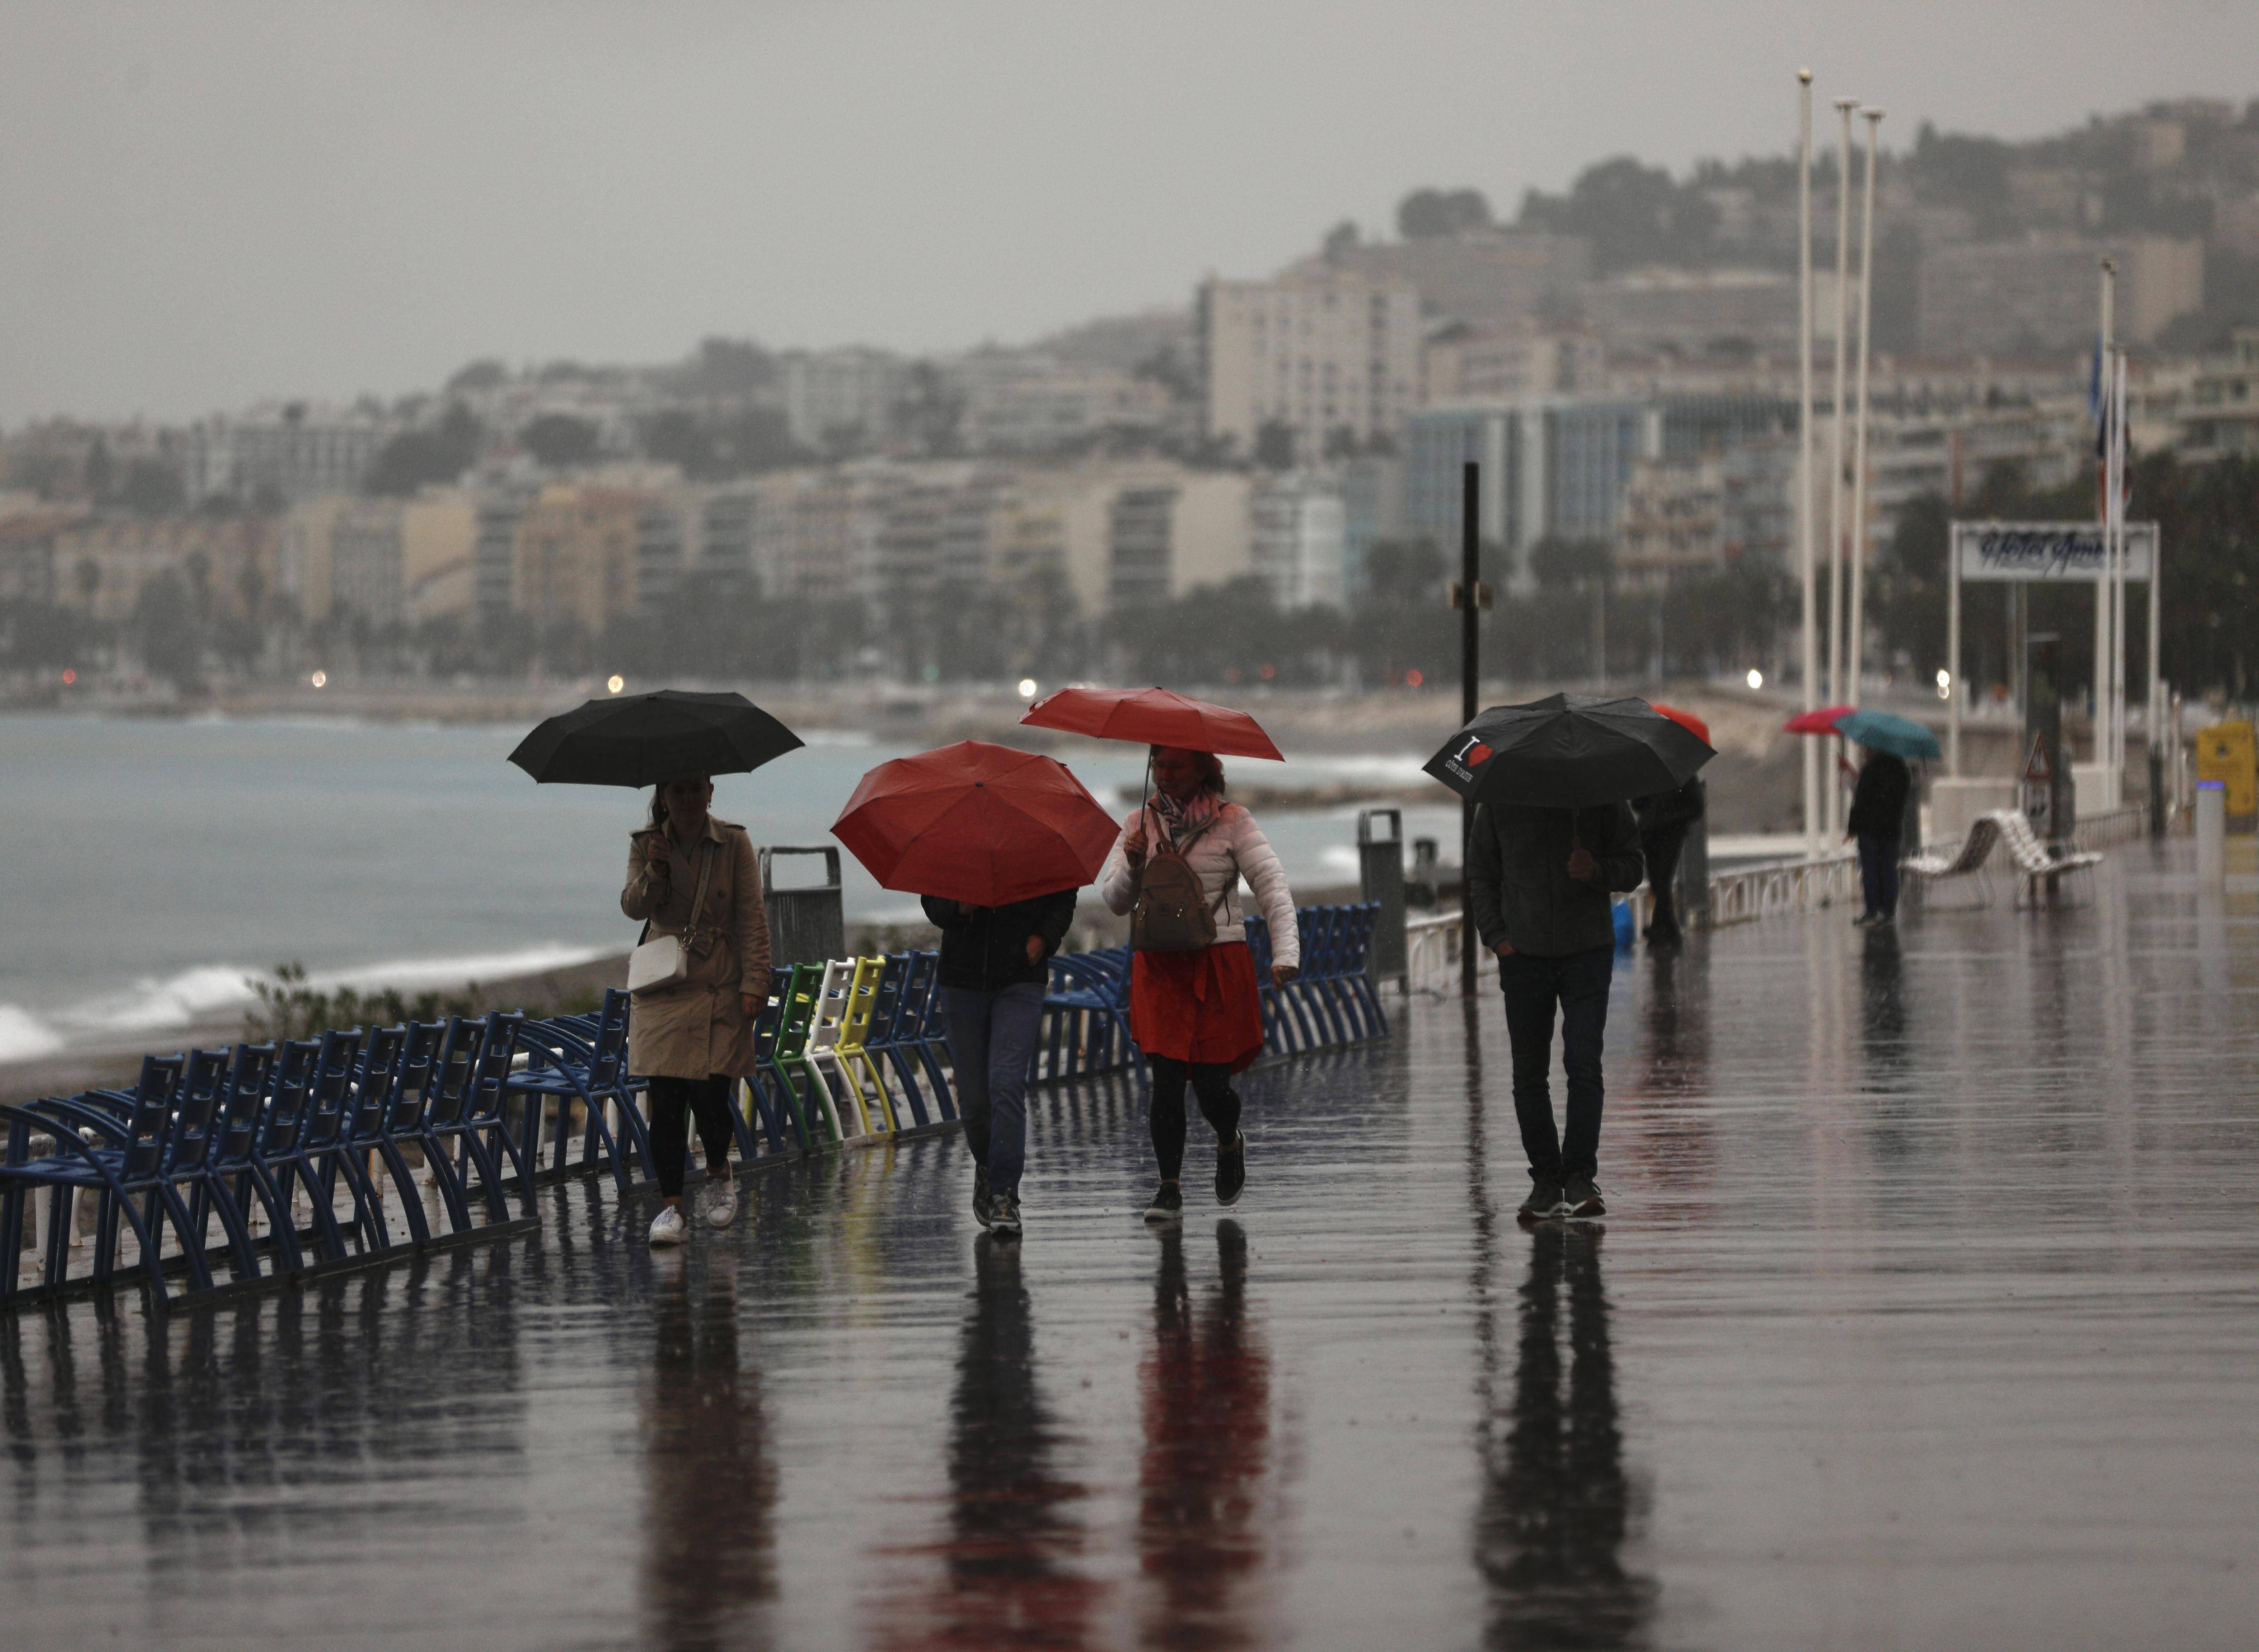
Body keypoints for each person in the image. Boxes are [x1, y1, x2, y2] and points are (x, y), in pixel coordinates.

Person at [1099, 746, 1298, 1224]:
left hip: (1217, 961)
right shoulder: (1137, 824)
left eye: (1177, 767)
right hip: (1160, 966)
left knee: (1212, 1087)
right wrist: (1130, 862)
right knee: (1165, 1081)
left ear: (1203, 771)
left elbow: (1272, 886)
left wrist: (1285, 952)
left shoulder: (1233, 821)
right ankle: (1168, 1187)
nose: (1165, 776)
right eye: (1159, 766)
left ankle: (1229, 1141)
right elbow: (1114, 901)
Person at [1467, 799, 1644, 1223]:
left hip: (1588, 951)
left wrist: (1596, 870)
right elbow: (1482, 875)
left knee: (1583, 1063)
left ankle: (1581, 1176)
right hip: (1523, 956)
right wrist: (1498, 938)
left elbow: (1634, 867)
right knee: (1529, 1073)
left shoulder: (1600, 794)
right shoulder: (1500, 799)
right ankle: (1546, 1179)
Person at [621, 774, 770, 1246]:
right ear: (663, 796)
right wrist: (655, 871)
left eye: (694, 789)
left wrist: (755, 983)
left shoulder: (733, 841)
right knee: (665, 1102)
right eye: (676, 791)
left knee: (709, 1096)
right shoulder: (647, 844)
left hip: (718, 981)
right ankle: (671, 1208)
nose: (686, 799)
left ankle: (718, 1169)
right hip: (664, 982)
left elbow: (752, 916)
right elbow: (631, 906)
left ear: (710, 791)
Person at [921, 887, 1078, 1239]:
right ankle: (989, 1167)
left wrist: (1044, 939)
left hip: (1020, 977)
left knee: (1006, 1083)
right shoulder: (952, 837)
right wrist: (961, 905)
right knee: (974, 1102)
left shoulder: (1039, 837)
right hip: (961, 980)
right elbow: (932, 902)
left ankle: (1005, 1194)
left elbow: (1064, 893)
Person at [1630, 774, 1704, 949]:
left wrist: (1672, 818)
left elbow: (1697, 808)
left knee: (1663, 882)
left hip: (1671, 836)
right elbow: (1637, 804)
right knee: (1657, 884)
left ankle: (1667, 931)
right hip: (1649, 836)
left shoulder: (1684, 775)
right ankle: (1664, 930)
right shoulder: (1650, 774)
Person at [1846, 747, 1911, 927]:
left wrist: (1852, 828)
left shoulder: (1870, 770)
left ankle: (1872, 911)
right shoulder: (1902, 770)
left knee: (1871, 871)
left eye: (1867, 748)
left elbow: (1860, 803)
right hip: (1892, 830)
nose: (1865, 752)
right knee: (1889, 871)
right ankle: (1888, 911)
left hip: (1870, 831)